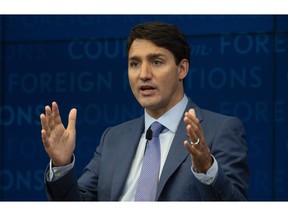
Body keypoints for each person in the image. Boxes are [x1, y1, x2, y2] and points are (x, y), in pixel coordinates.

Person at [40, 21, 249, 201]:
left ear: (182, 69)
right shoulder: (113, 138)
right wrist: (61, 165)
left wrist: (207, 170)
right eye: (134, 64)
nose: (144, 74)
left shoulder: (220, 130)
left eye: (156, 62)